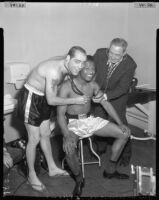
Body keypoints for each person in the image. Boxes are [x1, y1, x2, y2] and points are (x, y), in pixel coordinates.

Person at [16, 46, 89, 192]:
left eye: (82, 63)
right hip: (32, 99)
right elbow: (51, 100)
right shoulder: (54, 71)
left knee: (46, 134)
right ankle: (31, 175)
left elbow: (53, 92)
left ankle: (52, 168)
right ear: (68, 59)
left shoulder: (65, 64)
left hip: (43, 98)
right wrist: (75, 100)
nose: (80, 66)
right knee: (34, 139)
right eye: (76, 62)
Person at [57, 56, 131, 197]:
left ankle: (110, 170)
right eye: (87, 68)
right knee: (69, 149)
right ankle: (79, 180)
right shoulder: (66, 87)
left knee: (124, 134)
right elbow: (60, 115)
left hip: (89, 120)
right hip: (72, 123)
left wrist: (120, 123)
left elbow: (106, 104)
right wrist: (66, 135)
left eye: (93, 68)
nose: (91, 71)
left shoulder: (93, 85)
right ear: (79, 69)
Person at [92, 38, 137, 166]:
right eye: (110, 52)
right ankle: (101, 148)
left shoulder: (130, 65)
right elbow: (91, 71)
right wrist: (94, 90)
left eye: (116, 54)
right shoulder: (100, 53)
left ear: (124, 54)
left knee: (121, 126)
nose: (112, 56)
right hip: (99, 93)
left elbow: (122, 88)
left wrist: (105, 96)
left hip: (117, 97)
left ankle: (125, 155)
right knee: (99, 121)